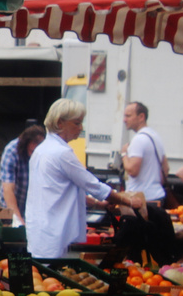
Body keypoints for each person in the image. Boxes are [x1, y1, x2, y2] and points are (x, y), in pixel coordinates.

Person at [25, 98, 138, 260]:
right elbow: (94, 186)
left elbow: (58, 189)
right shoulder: (62, 153)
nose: (81, 128)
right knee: (52, 275)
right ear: (60, 123)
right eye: (77, 123)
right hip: (54, 231)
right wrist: (130, 202)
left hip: (41, 229)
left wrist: (97, 204)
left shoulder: (42, 150)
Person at [120, 102, 167, 205]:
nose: (124, 120)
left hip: (142, 201)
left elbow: (133, 171)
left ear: (141, 117)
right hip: (157, 196)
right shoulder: (156, 136)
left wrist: (124, 154)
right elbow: (166, 169)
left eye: (128, 116)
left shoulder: (139, 139)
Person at [0, 125, 46, 225]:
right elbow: (8, 189)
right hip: (13, 205)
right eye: (32, 151)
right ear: (25, 145)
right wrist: (18, 221)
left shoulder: (46, 153)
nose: (34, 156)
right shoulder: (11, 151)